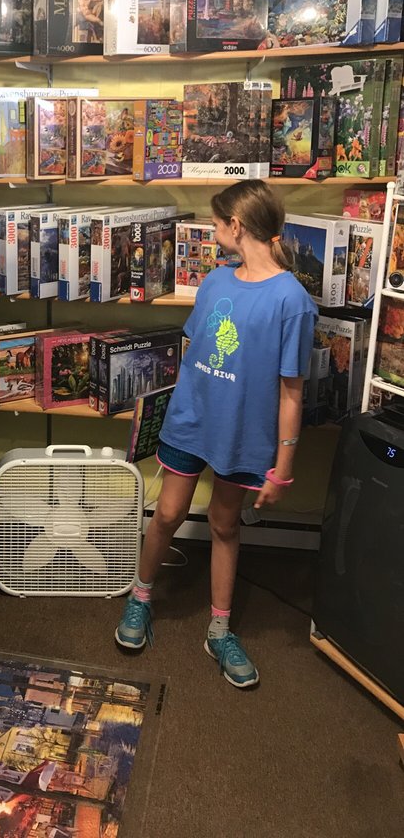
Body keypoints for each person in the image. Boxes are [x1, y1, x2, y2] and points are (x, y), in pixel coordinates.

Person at [115, 180, 317, 688]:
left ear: (237, 226)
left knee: (225, 524)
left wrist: (283, 467)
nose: (212, 229)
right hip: (191, 421)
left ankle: (220, 630)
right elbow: (194, 351)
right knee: (167, 514)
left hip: (243, 436)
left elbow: (291, 393)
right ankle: (140, 596)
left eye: (217, 221)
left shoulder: (291, 301)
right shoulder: (215, 281)